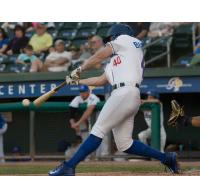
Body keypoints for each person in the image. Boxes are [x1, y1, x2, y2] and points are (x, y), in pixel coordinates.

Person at [49, 23, 179, 176]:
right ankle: (167, 158)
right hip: (128, 95)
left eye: (111, 38)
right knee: (125, 144)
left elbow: (100, 54)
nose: (110, 41)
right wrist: (77, 81)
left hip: (124, 92)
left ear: (117, 35)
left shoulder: (127, 39)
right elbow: (100, 80)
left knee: (98, 129)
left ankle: (69, 166)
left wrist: (80, 68)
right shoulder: (118, 60)